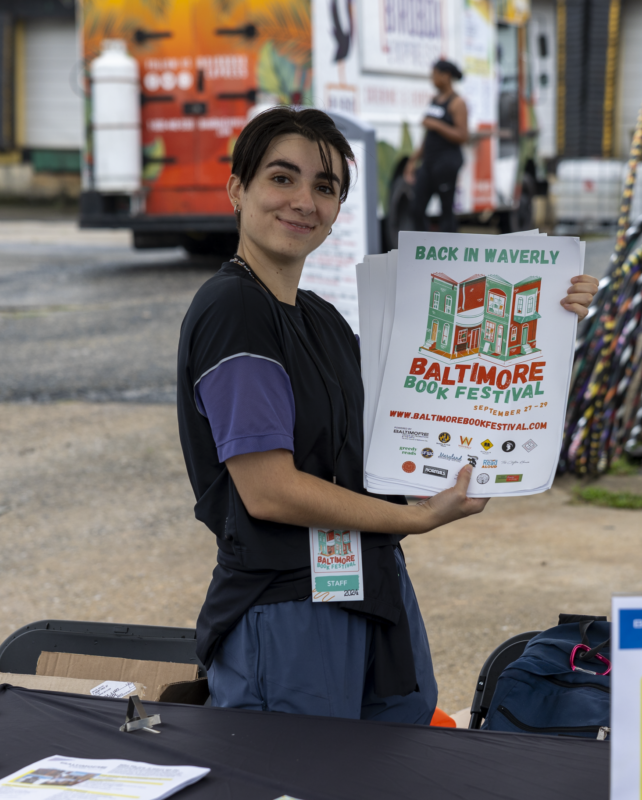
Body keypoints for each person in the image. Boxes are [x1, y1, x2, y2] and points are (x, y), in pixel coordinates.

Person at [176, 106, 600, 723]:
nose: (303, 200)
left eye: (325, 187)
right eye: (281, 177)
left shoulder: (319, 316)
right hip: (289, 606)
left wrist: (549, 323)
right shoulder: (234, 309)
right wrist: (422, 517)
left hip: (371, 586)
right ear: (238, 188)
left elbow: (413, 416)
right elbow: (269, 491)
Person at [405, 59, 470, 232]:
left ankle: (449, 255)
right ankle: (423, 250)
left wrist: (437, 125)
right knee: (416, 209)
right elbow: (428, 136)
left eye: (434, 75)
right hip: (429, 163)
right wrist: (413, 161)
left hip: (447, 164)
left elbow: (463, 135)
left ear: (446, 76)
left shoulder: (457, 103)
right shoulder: (434, 100)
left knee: (446, 213)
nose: (431, 79)